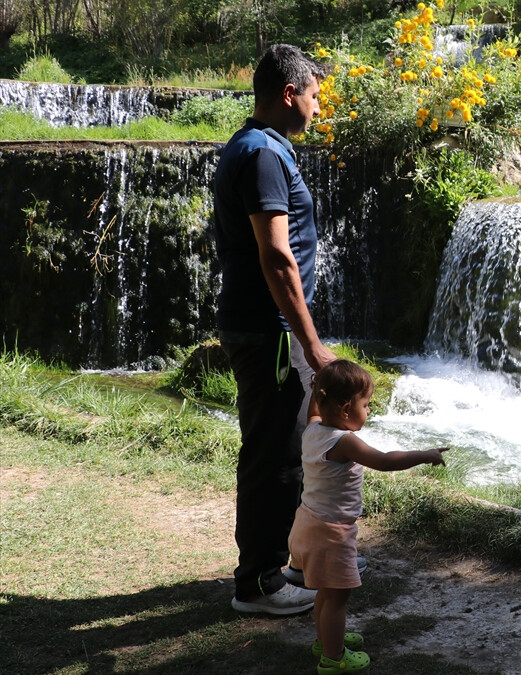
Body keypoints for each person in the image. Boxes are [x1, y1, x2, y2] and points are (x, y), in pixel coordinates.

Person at [213, 43, 338, 614]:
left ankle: (266, 564)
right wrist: (311, 345)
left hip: (262, 328)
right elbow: (277, 257)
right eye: (314, 96)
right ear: (290, 94)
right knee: (277, 455)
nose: (317, 107)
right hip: (271, 333)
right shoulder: (264, 155)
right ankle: (258, 582)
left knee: (269, 449)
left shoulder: (252, 144)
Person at [291, 359, 449, 673]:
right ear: (347, 409)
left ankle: (325, 640)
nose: (369, 411)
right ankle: (333, 659)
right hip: (331, 533)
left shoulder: (312, 430)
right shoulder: (344, 442)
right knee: (338, 597)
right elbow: (386, 461)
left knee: (325, 589)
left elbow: (313, 411)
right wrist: (426, 455)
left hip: (307, 522)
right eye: (367, 405)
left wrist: (317, 386)